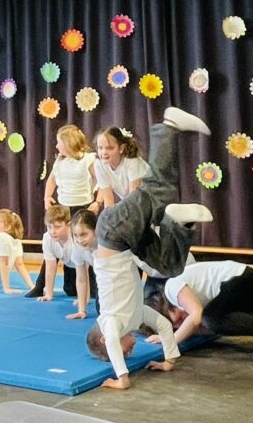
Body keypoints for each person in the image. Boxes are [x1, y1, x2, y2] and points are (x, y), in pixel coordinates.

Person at [82, 106, 214, 390]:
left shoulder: (110, 322)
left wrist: (122, 378)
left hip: (113, 233)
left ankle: (168, 125)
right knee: (170, 266)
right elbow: (165, 327)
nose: (129, 352)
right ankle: (182, 222)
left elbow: (113, 343)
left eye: (123, 352)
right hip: (126, 240)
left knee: (159, 191)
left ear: (104, 339)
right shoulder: (136, 316)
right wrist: (169, 360)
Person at [145, 261, 253, 362]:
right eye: (177, 326)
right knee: (215, 320)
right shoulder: (192, 301)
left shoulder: (171, 288)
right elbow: (209, 326)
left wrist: (172, 339)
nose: (181, 322)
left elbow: (196, 316)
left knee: (211, 318)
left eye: (177, 320)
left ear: (164, 310)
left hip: (249, 282)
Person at [39, 125, 97, 297]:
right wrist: (47, 197)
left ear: (68, 143)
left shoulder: (88, 160)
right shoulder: (60, 162)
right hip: (64, 207)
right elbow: (51, 180)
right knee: (59, 243)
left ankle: (91, 285)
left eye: (59, 142)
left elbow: (102, 181)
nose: (56, 146)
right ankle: (56, 285)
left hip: (82, 207)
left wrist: (98, 201)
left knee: (83, 246)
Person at [93, 127, 149, 212]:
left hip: (150, 200)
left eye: (110, 148)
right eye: (100, 148)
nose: (104, 152)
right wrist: (109, 218)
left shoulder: (132, 162)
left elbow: (134, 198)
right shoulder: (99, 164)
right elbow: (108, 201)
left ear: (121, 148)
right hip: (134, 203)